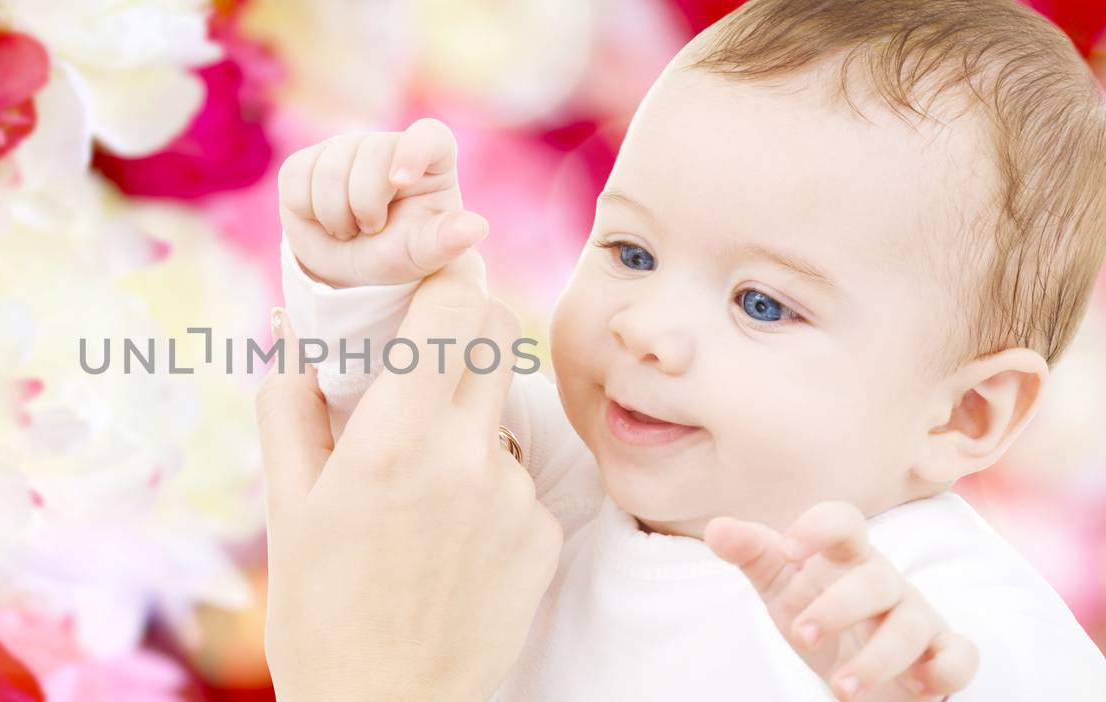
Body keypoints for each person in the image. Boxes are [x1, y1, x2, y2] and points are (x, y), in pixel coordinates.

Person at [257, 0, 1106, 700]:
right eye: (632, 253)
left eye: (762, 304)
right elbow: (385, 442)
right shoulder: (552, 463)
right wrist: (368, 275)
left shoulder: (932, 614)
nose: (645, 329)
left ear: (962, 413)